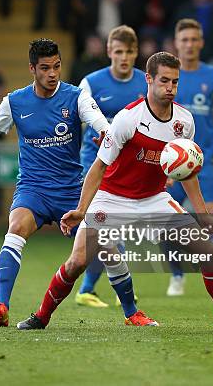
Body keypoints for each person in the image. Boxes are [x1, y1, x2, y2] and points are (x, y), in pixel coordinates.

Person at [16, 52, 213, 333]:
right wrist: (82, 210)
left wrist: (203, 215)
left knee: (207, 252)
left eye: (175, 82)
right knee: (77, 261)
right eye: (164, 81)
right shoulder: (128, 118)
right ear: (149, 79)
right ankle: (41, 317)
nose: (170, 88)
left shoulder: (185, 121)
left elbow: (187, 172)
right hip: (111, 198)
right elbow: (98, 168)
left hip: (154, 199)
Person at [0, 38, 110, 327]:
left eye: (56, 67)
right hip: (34, 189)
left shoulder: (75, 96)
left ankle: (131, 312)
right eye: (45, 68)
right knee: (15, 229)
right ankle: (2, 305)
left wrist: (106, 133)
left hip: (71, 191)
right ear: (32, 68)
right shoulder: (15, 102)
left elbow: (99, 121)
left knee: (104, 246)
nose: (52, 74)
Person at [163, 19, 213, 298]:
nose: (189, 44)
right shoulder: (166, 76)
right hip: (166, 165)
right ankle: (177, 277)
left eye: (194, 39)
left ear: (201, 42)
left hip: (202, 164)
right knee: (165, 226)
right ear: (176, 42)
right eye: (184, 39)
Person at [74, 25, 148, 308]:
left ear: (136, 52)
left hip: (128, 167)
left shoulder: (146, 81)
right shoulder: (91, 82)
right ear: (109, 52)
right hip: (96, 164)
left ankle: (91, 288)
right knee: (106, 227)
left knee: (109, 228)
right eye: (118, 51)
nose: (124, 57)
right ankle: (101, 289)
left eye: (129, 52)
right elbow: (78, 121)